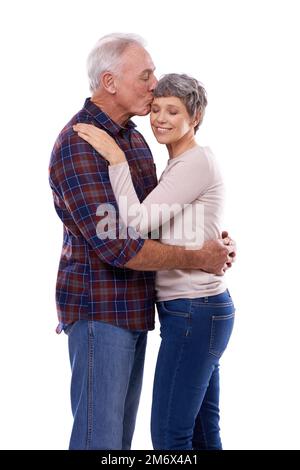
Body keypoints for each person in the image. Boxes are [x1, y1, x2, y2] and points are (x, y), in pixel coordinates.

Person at [49, 33, 236, 450]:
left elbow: (153, 220)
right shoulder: (80, 146)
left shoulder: (132, 140)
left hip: (140, 308)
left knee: (126, 441)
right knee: (102, 440)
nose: (154, 85)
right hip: (101, 311)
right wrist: (201, 254)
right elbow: (118, 244)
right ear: (110, 81)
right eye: (146, 76)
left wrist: (211, 238)